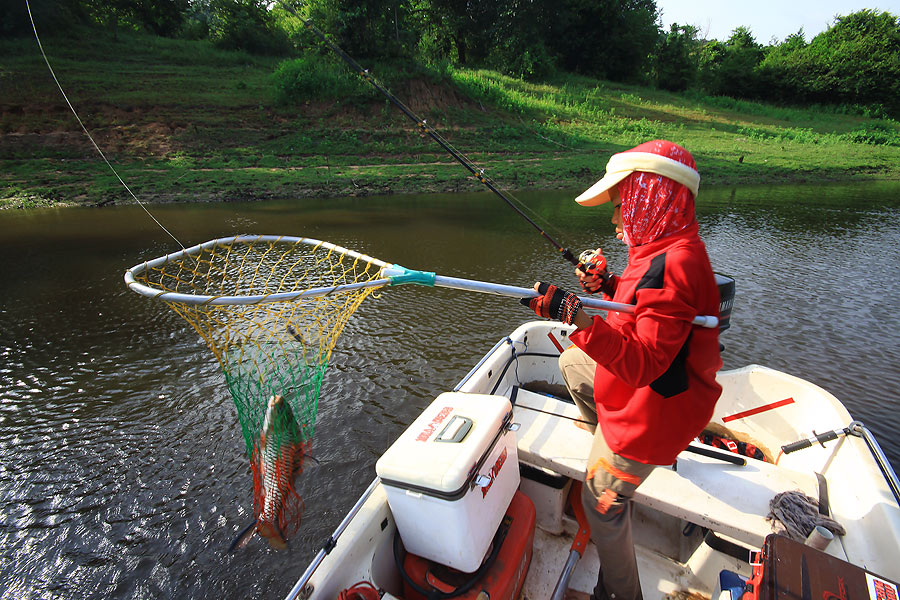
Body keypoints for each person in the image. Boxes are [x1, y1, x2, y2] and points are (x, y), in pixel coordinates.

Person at [521, 140, 723, 600]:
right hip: (634, 392)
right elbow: (644, 309)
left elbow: (646, 364)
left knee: (599, 503)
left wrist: (578, 318)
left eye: (619, 206)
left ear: (650, 198)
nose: (614, 219)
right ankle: (603, 433)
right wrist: (606, 285)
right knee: (573, 361)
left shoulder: (676, 264)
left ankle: (619, 592)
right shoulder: (660, 249)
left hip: (653, 412)